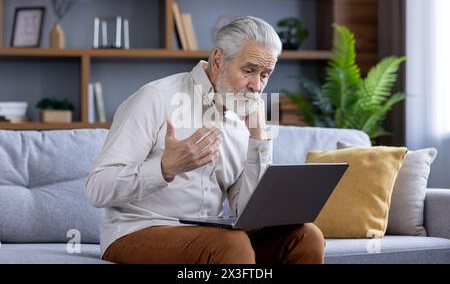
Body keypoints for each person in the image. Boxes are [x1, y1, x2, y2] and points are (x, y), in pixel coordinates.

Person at [85, 16, 325, 264]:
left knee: (307, 236)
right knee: (230, 246)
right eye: (249, 70)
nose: (257, 86)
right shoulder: (156, 98)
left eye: (265, 74)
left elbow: (246, 214)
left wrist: (258, 140)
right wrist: (165, 168)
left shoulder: (246, 118)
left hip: (210, 237)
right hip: (136, 230)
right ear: (219, 60)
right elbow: (97, 189)